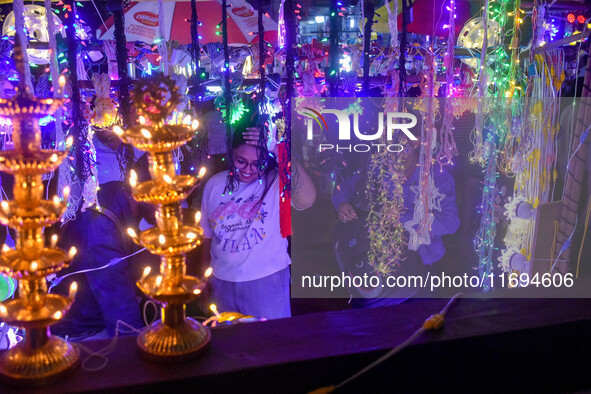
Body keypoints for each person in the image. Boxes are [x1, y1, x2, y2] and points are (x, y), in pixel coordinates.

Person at [200, 121, 316, 319]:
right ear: (230, 155)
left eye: (257, 164)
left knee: (270, 344)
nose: (248, 170)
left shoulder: (275, 181)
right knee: (229, 344)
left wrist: (278, 148)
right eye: (241, 161)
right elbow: (206, 238)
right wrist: (204, 281)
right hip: (222, 281)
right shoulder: (214, 184)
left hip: (266, 281)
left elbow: (308, 198)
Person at [332, 136, 460, 307]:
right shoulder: (379, 167)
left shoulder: (437, 175)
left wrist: (402, 218)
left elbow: (450, 222)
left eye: (403, 146)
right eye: (390, 147)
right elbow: (346, 187)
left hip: (424, 261)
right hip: (384, 264)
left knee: (421, 320)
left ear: (416, 143)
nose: (396, 154)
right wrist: (342, 203)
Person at [51, 158, 156, 340]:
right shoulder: (101, 228)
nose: (172, 209)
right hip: (82, 335)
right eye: (165, 198)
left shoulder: (117, 193)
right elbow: (123, 322)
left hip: (96, 317)